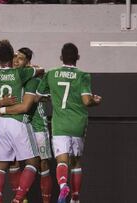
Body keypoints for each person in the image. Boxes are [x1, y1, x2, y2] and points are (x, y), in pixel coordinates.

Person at [36, 43, 102, 203]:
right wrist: (96, 101)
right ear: (77, 58)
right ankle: (75, 198)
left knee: (62, 160)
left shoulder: (51, 74)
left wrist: (52, 96)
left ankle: (63, 184)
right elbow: (87, 101)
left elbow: (38, 95)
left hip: (60, 125)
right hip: (78, 124)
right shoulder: (83, 75)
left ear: (61, 58)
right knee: (76, 162)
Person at [0, 47, 53, 203]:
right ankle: (21, 199)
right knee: (13, 162)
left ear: (28, 62)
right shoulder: (12, 78)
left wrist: (2, 108)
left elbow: (30, 102)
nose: (16, 60)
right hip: (19, 125)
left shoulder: (36, 78)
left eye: (20, 58)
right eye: (14, 57)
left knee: (42, 164)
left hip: (36, 125)